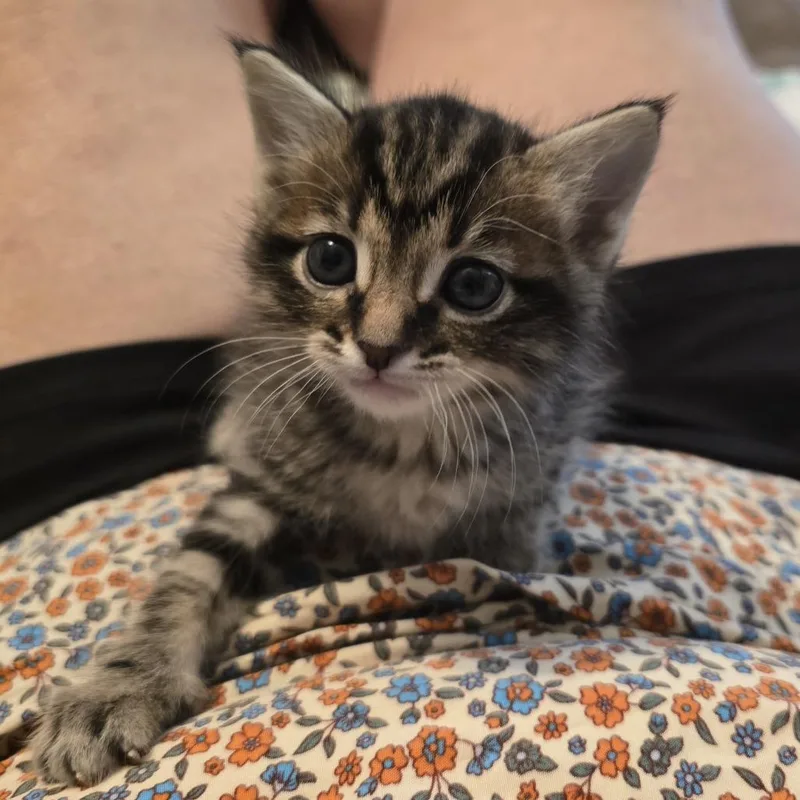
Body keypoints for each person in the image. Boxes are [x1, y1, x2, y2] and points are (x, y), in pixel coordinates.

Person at [0, 1, 798, 797]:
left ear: (590, 228)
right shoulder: (308, 411)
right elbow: (243, 515)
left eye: (471, 284)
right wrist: (144, 664)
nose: (379, 337)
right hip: (745, 458)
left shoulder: (522, 433)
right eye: (332, 259)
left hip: (92, 472)